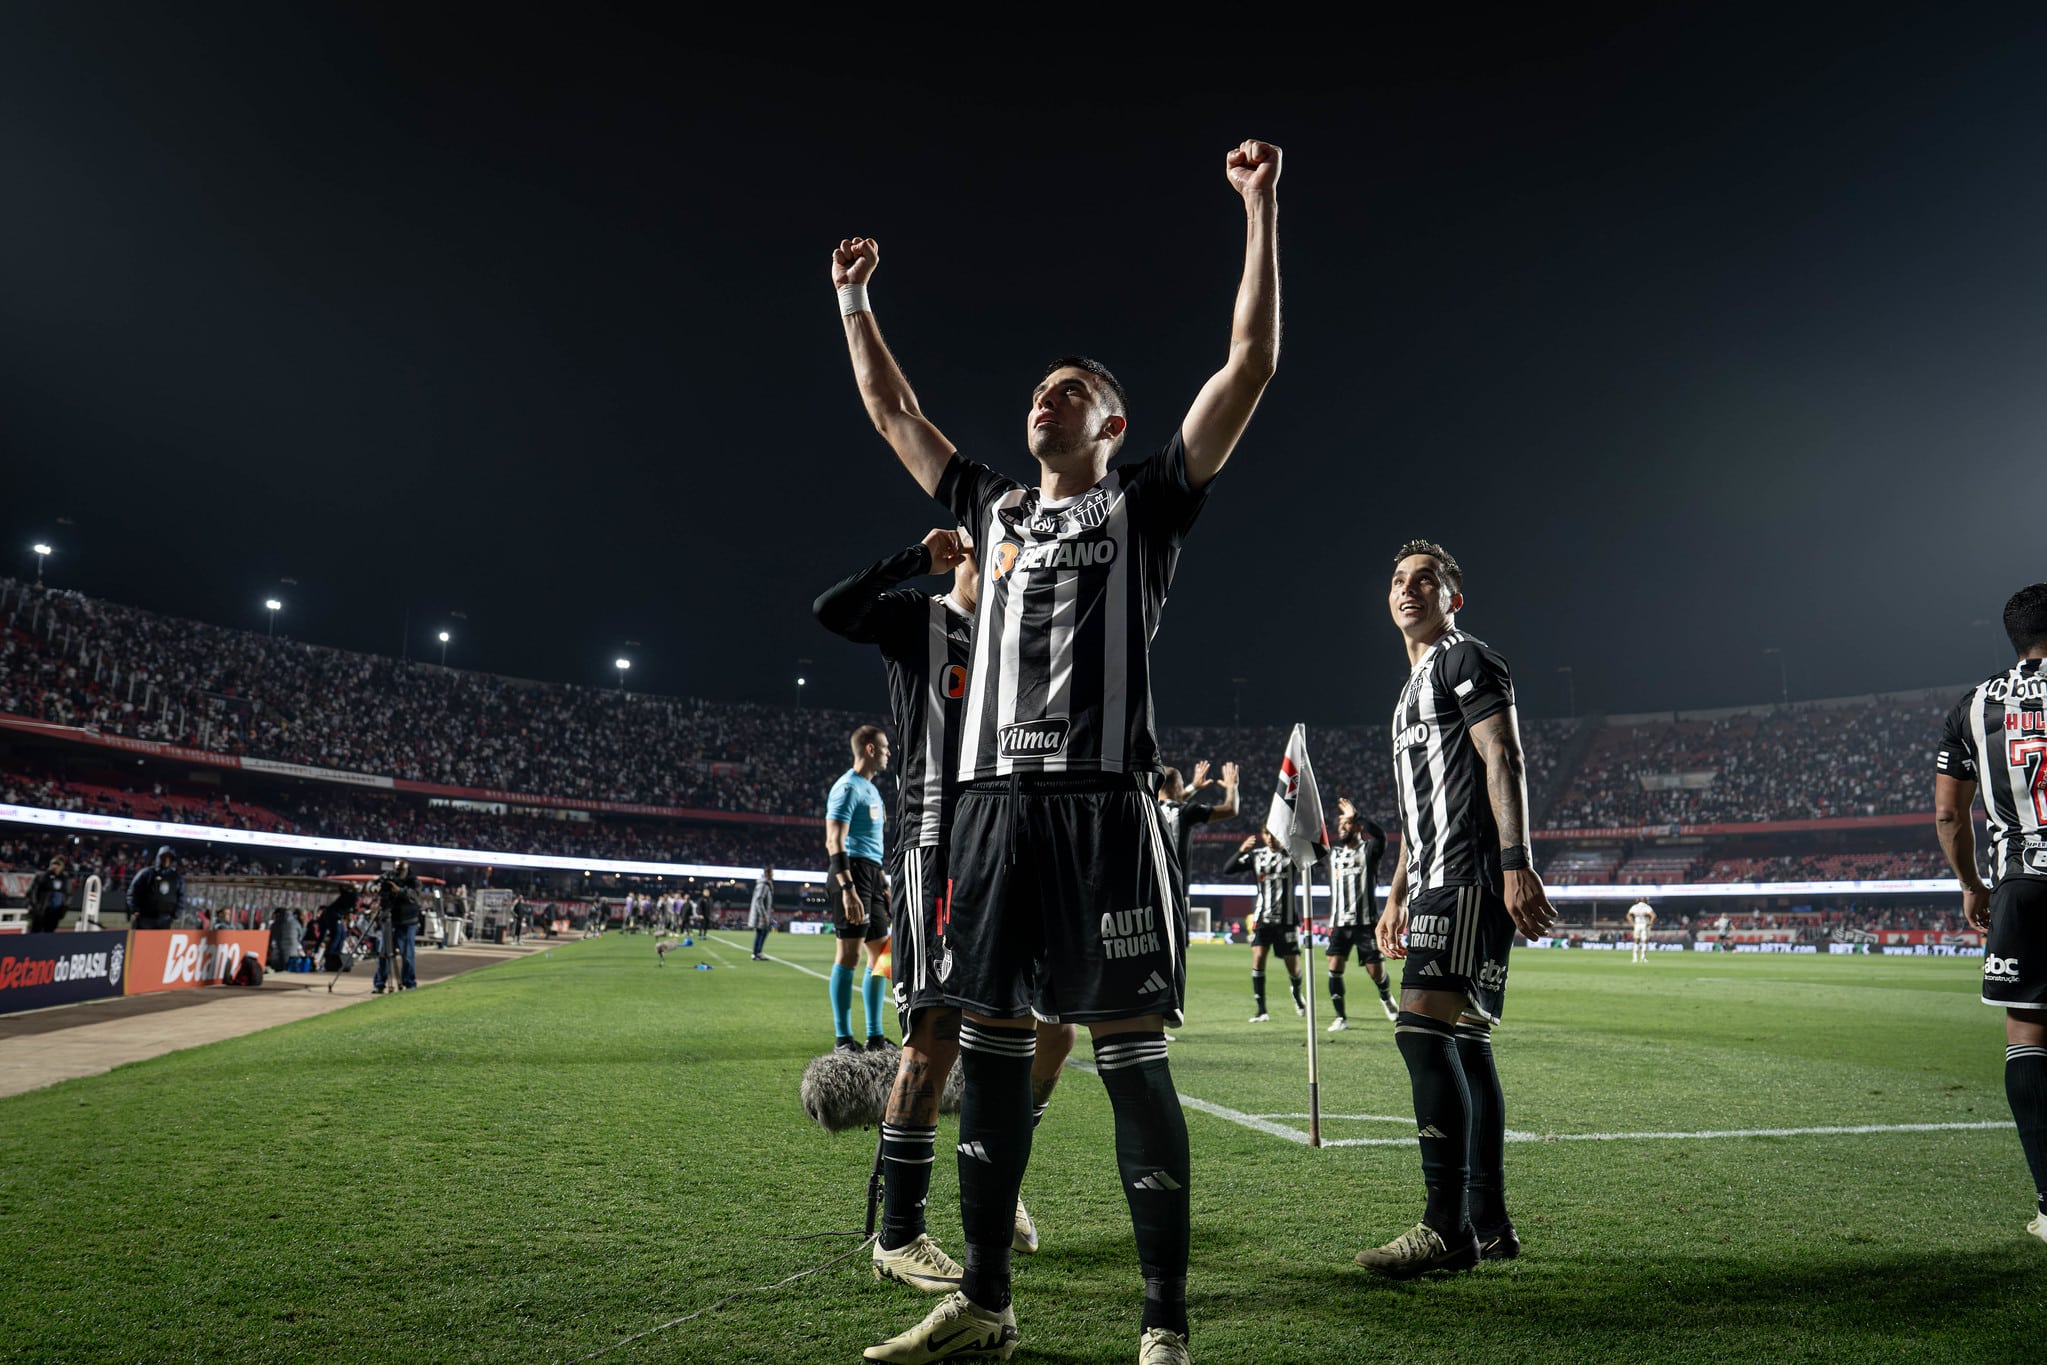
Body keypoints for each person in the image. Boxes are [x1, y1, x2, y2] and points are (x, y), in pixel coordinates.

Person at [834, 136, 1281, 1365]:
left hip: (1104, 811)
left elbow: (1248, 364)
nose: (1044, 399)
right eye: (1037, 388)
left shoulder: (1147, 501)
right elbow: (892, 411)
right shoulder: (989, 507)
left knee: (1132, 1063)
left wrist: (1258, 207)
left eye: (1069, 387)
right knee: (985, 1052)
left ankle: (1165, 1323)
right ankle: (982, 1302)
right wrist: (854, 299)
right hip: (987, 808)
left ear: (1113, 418)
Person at [815, 526, 1073, 1294]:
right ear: (969, 549)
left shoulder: (1029, 638)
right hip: (939, 851)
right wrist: (913, 559)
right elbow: (832, 610)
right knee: (934, 1036)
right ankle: (899, 1235)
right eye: (1003, 540)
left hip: (1017, 854)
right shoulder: (920, 618)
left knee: (1050, 1032)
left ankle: (996, 1178)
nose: (1017, 555)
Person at [1361, 539, 1558, 1277]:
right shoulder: (1409, 689)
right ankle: (1489, 1223)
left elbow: (1501, 756)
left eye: (1425, 580)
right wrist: (1395, 893)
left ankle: (1443, 1227)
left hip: (1471, 873)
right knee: (1466, 1040)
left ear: (1453, 598)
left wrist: (1515, 863)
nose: (1407, 590)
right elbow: (1419, 810)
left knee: (1419, 1032)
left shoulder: (1464, 659)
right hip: (1437, 874)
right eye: (1397, 580)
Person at [1933, 581, 2047, 1248]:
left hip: (2023, 883)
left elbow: (1949, 812)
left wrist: (1970, 883)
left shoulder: (1974, 704)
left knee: (2028, 1034)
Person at [825, 725, 894, 1052]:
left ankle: (875, 1036)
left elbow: (873, 846)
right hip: (850, 874)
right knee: (848, 956)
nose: (887, 753)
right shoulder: (847, 788)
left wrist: (883, 884)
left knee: (883, 955)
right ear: (868, 749)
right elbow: (834, 840)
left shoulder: (872, 790)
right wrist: (848, 889)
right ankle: (842, 1038)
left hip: (872, 875)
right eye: (883, 748)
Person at [1326, 798, 1396, 1029]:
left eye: (1347, 824)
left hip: (1366, 923)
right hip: (1339, 923)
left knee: (1376, 972)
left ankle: (1386, 998)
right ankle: (1341, 1017)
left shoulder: (1369, 850)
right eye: (1340, 825)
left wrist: (1357, 815)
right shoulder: (1332, 855)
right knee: (1334, 968)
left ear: (1357, 827)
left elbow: (1381, 836)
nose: (1342, 828)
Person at [1226, 831, 1304, 1022]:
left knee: (1292, 967)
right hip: (1263, 920)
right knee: (1258, 959)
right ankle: (1261, 1010)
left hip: (1286, 922)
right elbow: (1228, 869)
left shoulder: (1292, 856)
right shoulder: (1256, 856)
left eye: (1274, 834)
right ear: (1262, 835)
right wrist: (1240, 851)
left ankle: (1297, 994)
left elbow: (1317, 864)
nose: (1270, 838)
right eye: (1267, 834)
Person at [1155, 761, 1240, 902]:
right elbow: (1230, 809)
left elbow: (1172, 802)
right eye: (1182, 784)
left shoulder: (1146, 809)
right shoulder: (1186, 811)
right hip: (1175, 891)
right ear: (1177, 786)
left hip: (1147, 890)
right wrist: (1232, 786)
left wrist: (1193, 787)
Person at [372, 860, 423, 994]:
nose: (398, 873)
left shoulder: (414, 881)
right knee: (384, 953)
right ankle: (379, 983)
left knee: (407, 955)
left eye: (401, 870)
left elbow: (415, 897)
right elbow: (373, 882)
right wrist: (374, 887)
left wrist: (399, 890)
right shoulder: (389, 876)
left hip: (407, 921)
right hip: (389, 919)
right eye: (397, 870)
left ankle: (409, 983)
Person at [126, 846, 183, 931]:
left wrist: (176, 913)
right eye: (164, 857)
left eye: (169, 857)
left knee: (160, 943)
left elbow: (181, 896)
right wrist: (134, 909)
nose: (166, 860)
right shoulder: (146, 873)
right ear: (159, 858)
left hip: (165, 919)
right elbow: (132, 892)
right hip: (145, 918)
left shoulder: (176, 877)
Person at [27, 854, 71, 934]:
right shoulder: (42, 876)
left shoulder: (64, 879)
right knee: (35, 932)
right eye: (54, 864)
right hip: (41, 910)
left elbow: (67, 895)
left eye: (58, 865)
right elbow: (32, 892)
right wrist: (35, 906)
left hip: (55, 912)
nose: (55, 866)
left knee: (49, 933)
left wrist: (63, 909)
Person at [317, 885, 357, 972]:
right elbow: (343, 890)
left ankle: (337, 957)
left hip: (337, 916)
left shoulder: (353, 898)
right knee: (337, 935)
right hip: (332, 915)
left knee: (342, 935)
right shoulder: (350, 896)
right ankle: (330, 957)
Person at [748, 866, 775, 959]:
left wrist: (769, 909)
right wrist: (764, 914)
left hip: (762, 913)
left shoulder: (765, 884)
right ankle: (756, 953)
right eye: (772, 873)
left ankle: (756, 953)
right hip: (761, 915)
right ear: (767, 874)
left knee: (762, 932)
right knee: (762, 932)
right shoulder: (763, 885)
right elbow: (759, 900)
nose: (773, 875)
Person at [1626, 898, 1657, 963]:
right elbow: (1653, 915)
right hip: (1644, 925)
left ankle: (1634, 958)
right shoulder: (1647, 907)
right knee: (1644, 942)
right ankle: (1643, 958)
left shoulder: (1634, 907)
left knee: (1636, 941)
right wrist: (1651, 922)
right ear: (1645, 901)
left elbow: (1628, 915)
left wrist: (1632, 923)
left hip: (1637, 925)